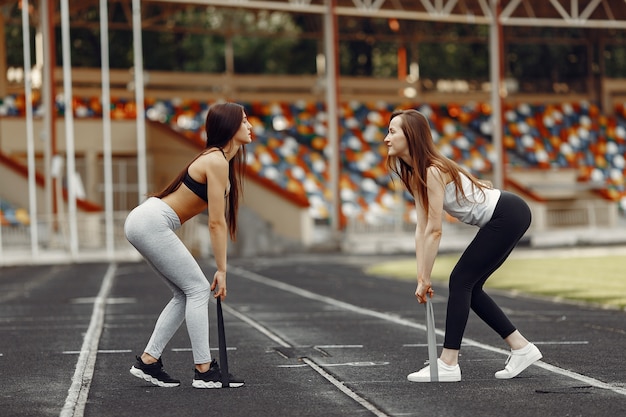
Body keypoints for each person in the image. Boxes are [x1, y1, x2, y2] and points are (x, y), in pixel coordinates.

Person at [384, 109, 542, 383]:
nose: (386, 138)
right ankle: (521, 347)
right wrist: (421, 277)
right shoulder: (415, 174)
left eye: (392, 131)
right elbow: (421, 229)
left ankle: (448, 362)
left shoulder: (433, 170)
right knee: (469, 286)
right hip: (505, 215)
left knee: (460, 281)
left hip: (507, 213)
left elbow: (435, 230)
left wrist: (426, 277)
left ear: (410, 136)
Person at [124, 102, 252, 388]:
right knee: (197, 289)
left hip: (147, 220)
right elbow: (216, 223)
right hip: (152, 220)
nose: (250, 126)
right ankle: (204, 370)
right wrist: (222, 270)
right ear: (231, 127)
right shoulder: (216, 160)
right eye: (244, 121)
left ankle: (149, 361)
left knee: (185, 294)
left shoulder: (220, 161)